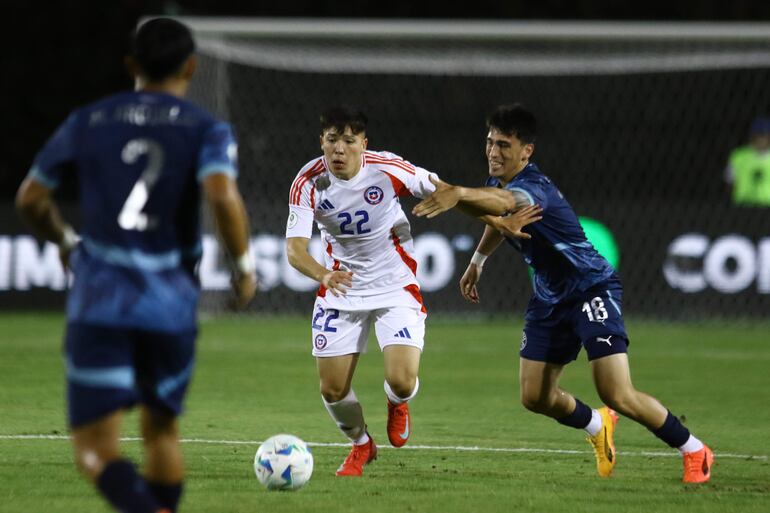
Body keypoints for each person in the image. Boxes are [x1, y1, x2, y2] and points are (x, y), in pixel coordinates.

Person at [15, 18, 257, 513]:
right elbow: (222, 194)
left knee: (94, 450)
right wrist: (244, 268)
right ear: (191, 66)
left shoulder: (89, 120)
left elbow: (32, 199)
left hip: (100, 301)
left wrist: (64, 239)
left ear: (130, 64)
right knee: (161, 429)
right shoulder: (205, 128)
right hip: (170, 308)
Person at [413, 103, 714, 484]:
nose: (493, 152)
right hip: (549, 297)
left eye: (504, 145)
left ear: (527, 151)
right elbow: (496, 215)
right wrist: (477, 261)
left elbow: (506, 205)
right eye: (490, 142)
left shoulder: (533, 188)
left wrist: (456, 193)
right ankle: (596, 424)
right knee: (535, 397)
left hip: (591, 289)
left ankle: (694, 450)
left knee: (616, 391)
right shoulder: (496, 184)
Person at [285, 106, 443, 477]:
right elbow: (294, 250)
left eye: (348, 141)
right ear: (321, 142)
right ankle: (361, 445)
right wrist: (323, 274)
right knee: (332, 390)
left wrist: (486, 214)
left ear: (363, 144)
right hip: (342, 287)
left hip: (394, 284)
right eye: (331, 141)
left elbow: (446, 191)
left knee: (402, 379)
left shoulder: (387, 169)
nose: (338, 150)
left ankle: (396, 402)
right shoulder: (308, 181)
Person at [724, 117, 770, 206]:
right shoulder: (738, 156)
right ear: (752, 136)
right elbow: (729, 182)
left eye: (764, 135)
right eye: (757, 135)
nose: (761, 139)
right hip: (742, 206)